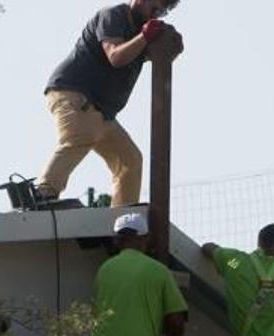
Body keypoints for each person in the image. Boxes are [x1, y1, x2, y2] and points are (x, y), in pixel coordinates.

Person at [36, 0, 182, 207]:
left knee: (129, 161)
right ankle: (43, 195)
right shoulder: (113, 16)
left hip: (101, 113)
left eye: (162, 11)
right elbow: (115, 56)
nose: (156, 13)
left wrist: (168, 46)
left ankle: (123, 217)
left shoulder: (141, 30)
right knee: (80, 136)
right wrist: (145, 37)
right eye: (156, 6)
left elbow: (153, 55)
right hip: (75, 94)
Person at [81, 212, 187, 336]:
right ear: (145, 238)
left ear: (117, 240)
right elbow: (176, 321)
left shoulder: (104, 270)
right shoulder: (158, 270)